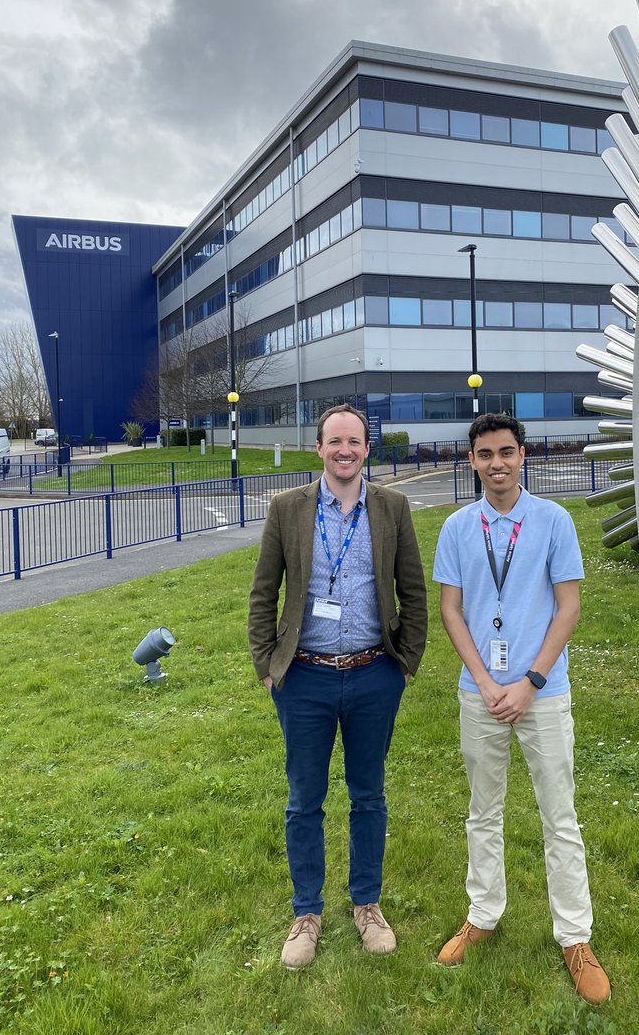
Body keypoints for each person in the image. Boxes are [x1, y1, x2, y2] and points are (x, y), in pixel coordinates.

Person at [432, 413, 610, 1004]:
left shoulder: (553, 521)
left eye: (506, 452)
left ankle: (575, 937)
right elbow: (451, 611)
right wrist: (485, 682)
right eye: (485, 455)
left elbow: (568, 608)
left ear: (523, 456)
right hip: (479, 693)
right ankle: (483, 914)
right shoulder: (458, 528)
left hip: (543, 691)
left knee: (560, 817)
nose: (497, 463)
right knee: (483, 812)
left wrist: (530, 681)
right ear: (472, 462)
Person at [248, 403, 428, 969]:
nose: (345, 450)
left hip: (374, 674)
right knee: (305, 800)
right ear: (319, 448)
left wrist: (404, 666)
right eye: (335, 441)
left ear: (366, 448)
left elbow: (414, 593)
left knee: (368, 795)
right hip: (303, 678)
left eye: (355, 441)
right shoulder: (288, 509)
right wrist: (266, 665)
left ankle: (366, 904)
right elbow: (263, 593)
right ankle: (307, 912)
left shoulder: (393, 508)